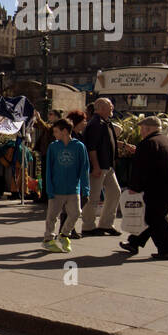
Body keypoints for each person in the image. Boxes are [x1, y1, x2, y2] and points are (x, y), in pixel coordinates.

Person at [121, 116, 168, 260]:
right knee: (152, 217)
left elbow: (140, 168)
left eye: (142, 129)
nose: (141, 132)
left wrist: (134, 187)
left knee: (155, 218)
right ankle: (134, 242)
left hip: (155, 189)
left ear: (148, 129)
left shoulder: (148, 143)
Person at [42, 118, 89, 253]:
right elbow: (49, 169)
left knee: (75, 213)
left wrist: (85, 188)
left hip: (74, 188)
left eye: (56, 131)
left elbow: (84, 168)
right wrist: (49, 188)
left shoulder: (79, 146)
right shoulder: (53, 146)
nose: (54, 134)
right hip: (56, 189)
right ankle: (48, 240)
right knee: (52, 216)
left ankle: (64, 234)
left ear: (64, 131)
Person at [77, 97, 122, 236]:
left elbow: (107, 142)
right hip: (99, 166)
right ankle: (88, 226)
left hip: (107, 165)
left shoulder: (104, 122)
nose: (112, 107)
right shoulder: (96, 124)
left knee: (115, 192)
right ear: (101, 108)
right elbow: (92, 148)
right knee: (94, 197)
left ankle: (106, 224)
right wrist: (95, 166)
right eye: (110, 106)